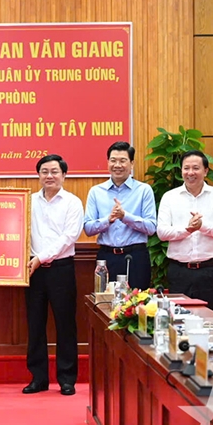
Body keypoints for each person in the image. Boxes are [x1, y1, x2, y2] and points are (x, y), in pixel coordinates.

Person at [23, 154, 83, 396]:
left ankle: (67, 379)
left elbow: (69, 237)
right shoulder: (28, 202)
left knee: (65, 324)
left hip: (61, 269)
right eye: (44, 172)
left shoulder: (72, 203)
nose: (49, 176)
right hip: (32, 271)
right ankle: (38, 378)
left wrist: (41, 257)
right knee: (35, 325)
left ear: (64, 175)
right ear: (38, 175)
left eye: (54, 171)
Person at [156, 150, 213, 314]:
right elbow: (162, 232)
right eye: (186, 168)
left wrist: (202, 226)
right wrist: (187, 229)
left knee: (211, 318)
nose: (190, 173)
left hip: (209, 270)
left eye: (196, 168)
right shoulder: (170, 197)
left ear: (205, 171)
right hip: (179, 271)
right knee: (178, 319)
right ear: (181, 171)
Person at [84, 141, 156, 289]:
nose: (117, 165)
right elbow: (88, 228)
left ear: (132, 163)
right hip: (106, 258)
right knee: (105, 300)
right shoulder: (96, 192)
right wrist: (108, 220)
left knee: (137, 300)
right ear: (108, 162)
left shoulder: (144, 190)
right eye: (113, 160)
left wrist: (125, 217)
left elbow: (151, 227)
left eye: (123, 161)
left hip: (135, 257)